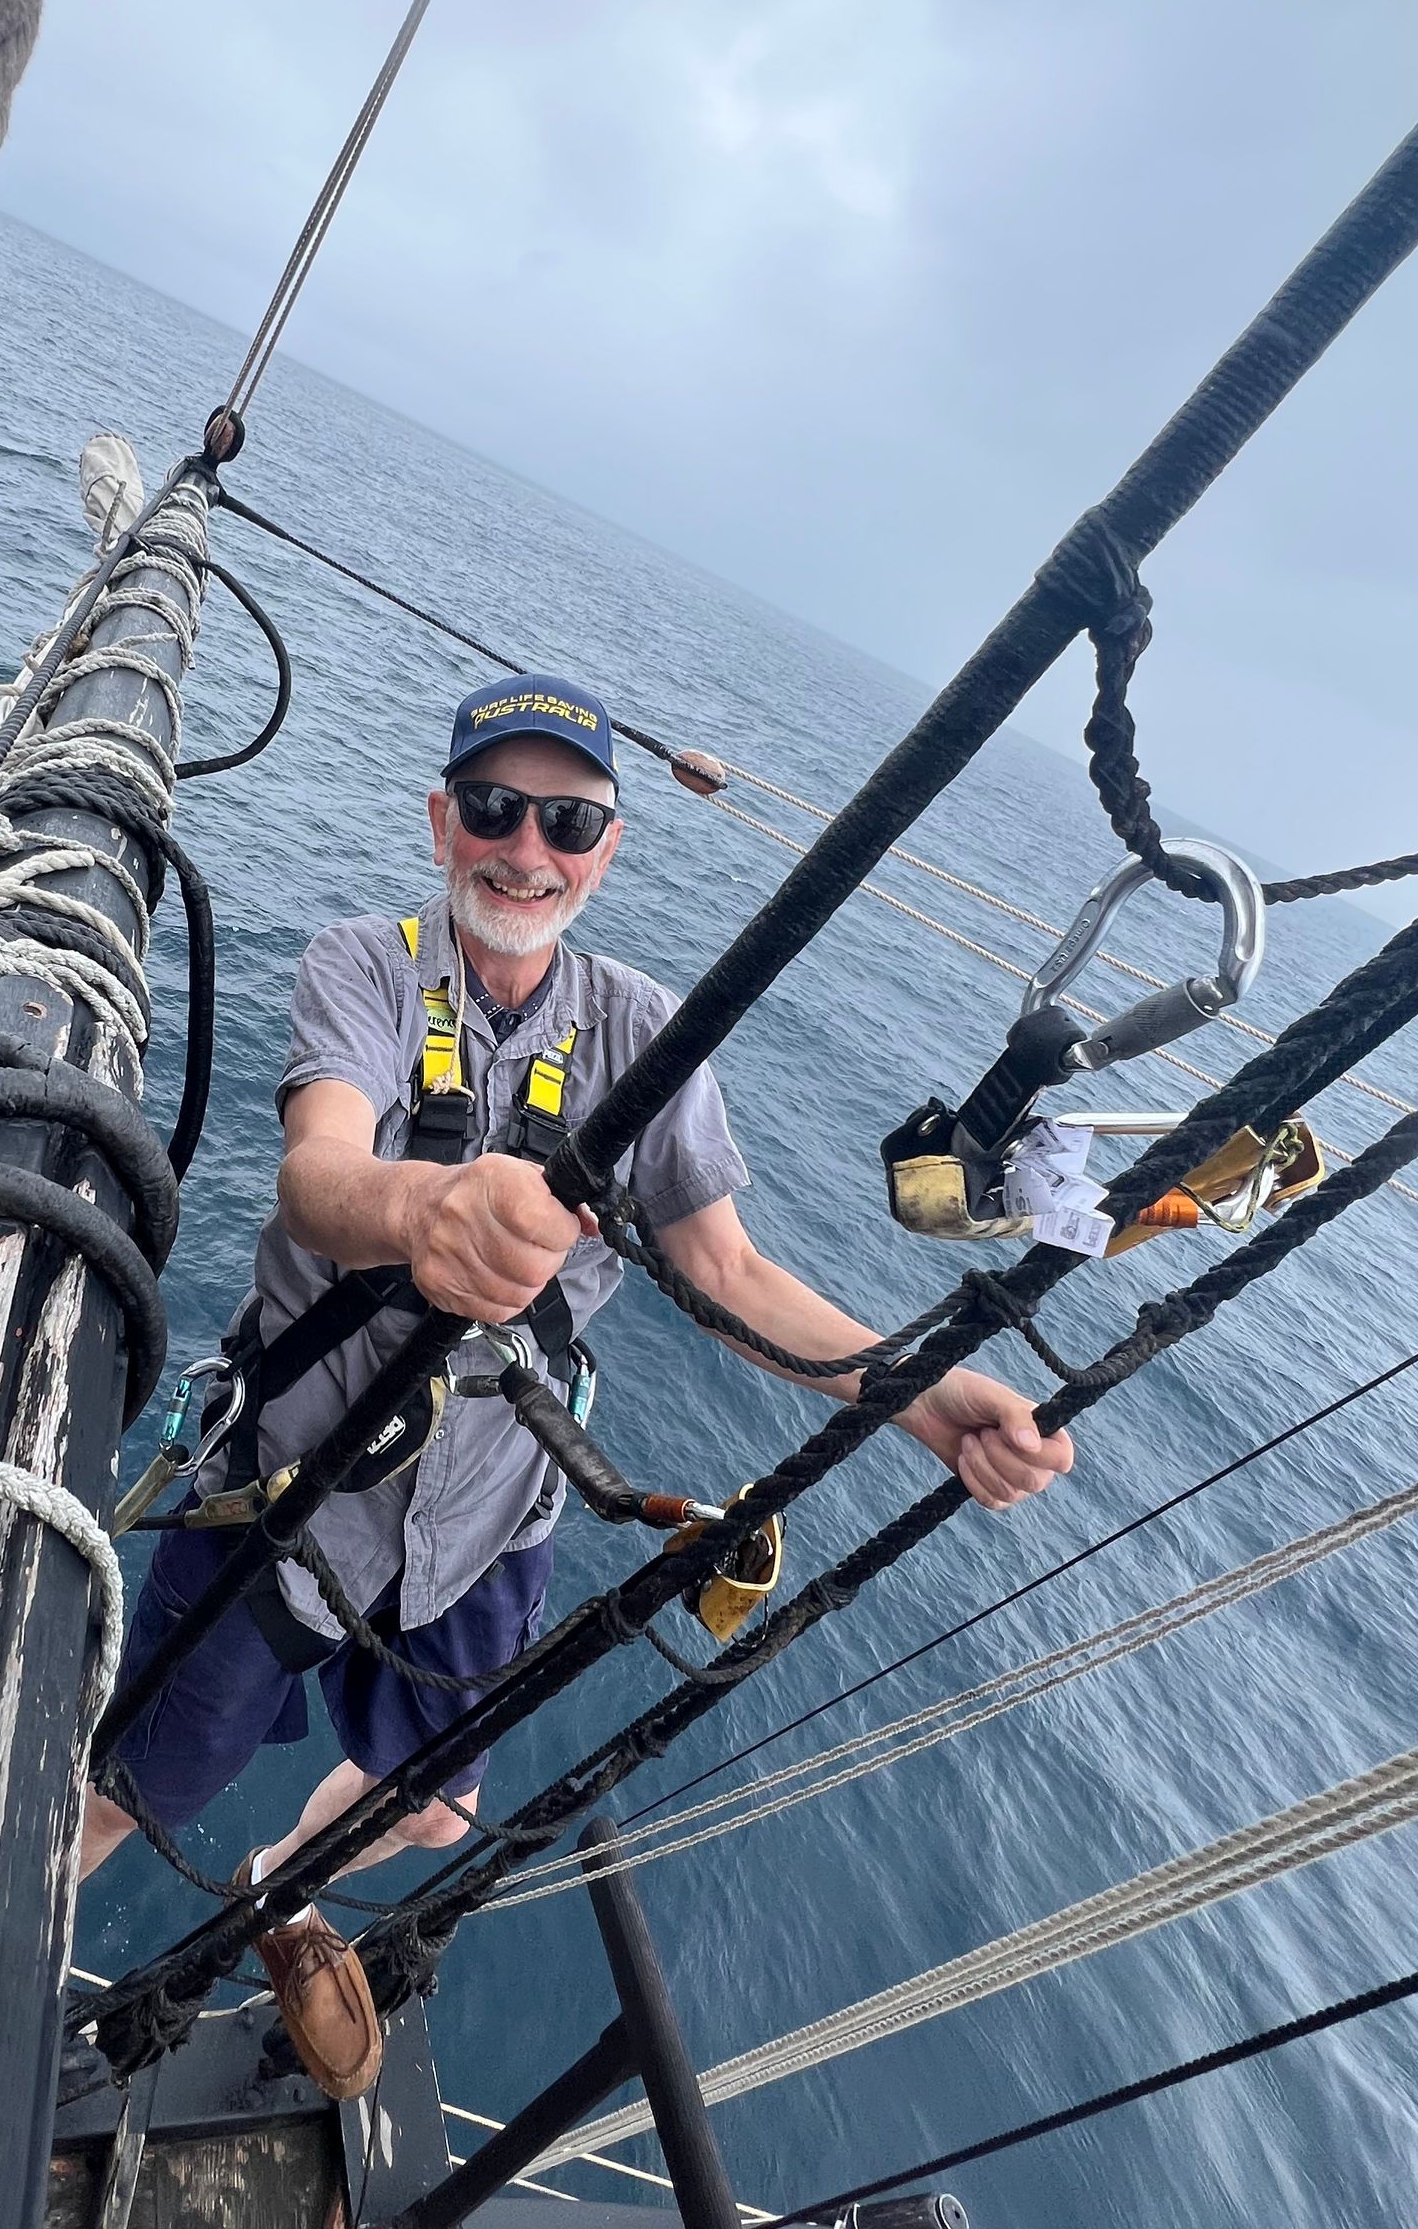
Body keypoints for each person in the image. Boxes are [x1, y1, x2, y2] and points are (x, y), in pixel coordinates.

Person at [82, 677, 1073, 2096]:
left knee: (429, 1811)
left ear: (607, 849)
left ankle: (283, 1890)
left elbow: (725, 1272)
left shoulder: (650, 1038)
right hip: (287, 1491)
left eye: (568, 820)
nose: (525, 848)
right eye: (492, 809)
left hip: (491, 1512)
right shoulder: (367, 966)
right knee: (129, 1787)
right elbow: (318, 1172)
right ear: (440, 821)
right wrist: (422, 1214)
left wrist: (922, 1396)